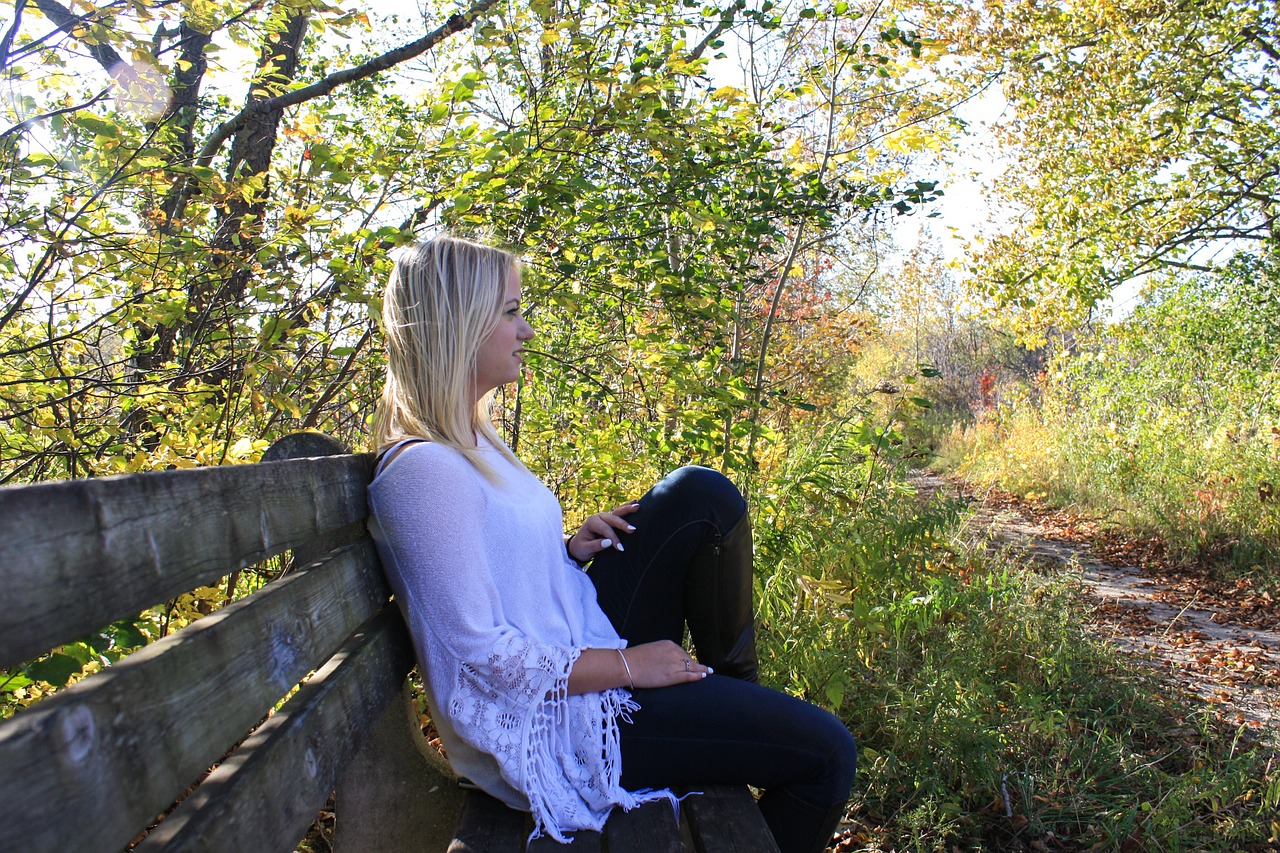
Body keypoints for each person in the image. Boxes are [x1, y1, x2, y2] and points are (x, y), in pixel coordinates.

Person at [366, 235, 857, 852]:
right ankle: (731, 710)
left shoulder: (474, 438)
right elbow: (483, 660)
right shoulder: (423, 471)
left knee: (697, 497)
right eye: (511, 312)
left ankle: (734, 696)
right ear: (458, 325)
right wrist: (631, 666)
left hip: (575, 636)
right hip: (557, 724)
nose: (528, 330)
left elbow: (489, 564)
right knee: (829, 755)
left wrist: (566, 552)